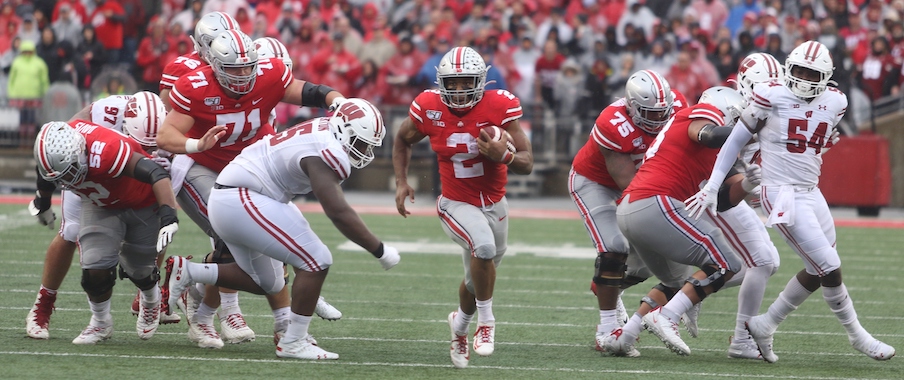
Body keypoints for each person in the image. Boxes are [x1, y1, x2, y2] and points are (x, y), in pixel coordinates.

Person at [686, 40, 896, 362]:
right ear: (788, 68)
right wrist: (713, 185)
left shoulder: (836, 101)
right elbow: (734, 143)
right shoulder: (770, 95)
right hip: (780, 193)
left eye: (812, 74)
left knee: (818, 267)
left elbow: (806, 144)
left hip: (812, 190)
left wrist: (823, 144)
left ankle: (765, 324)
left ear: (825, 77)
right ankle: (857, 335)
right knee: (830, 265)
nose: (803, 78)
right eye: (798, 70)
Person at [163, 98, 400, 360]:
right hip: (241, 197)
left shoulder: (326, 128)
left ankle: (188, 272)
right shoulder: (328, 150)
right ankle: (294, 341)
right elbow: (338, 212)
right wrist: (379, 249)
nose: (364, 150)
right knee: (317, 260)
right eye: (361, 142)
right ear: (344, 130)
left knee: (269, 282)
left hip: (239, 196)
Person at [156, 29, 347, 349]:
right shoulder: (195, 85)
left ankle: (203, 292)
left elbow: (308, 91)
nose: (244, 75)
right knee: (239, 237)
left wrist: (337, 101)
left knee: (275, 242)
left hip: (246, 173)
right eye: (235, 69)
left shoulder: (268, 76)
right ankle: (227, 316)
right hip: (200, 167)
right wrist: (195, 143)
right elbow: (166, 135)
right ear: (215, 65)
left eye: (249, 68)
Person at [392, 46, 534, 368]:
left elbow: (527, 163)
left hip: (495, 203)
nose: (458, 90)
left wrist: (505, 156)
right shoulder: (428, 107)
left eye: (465, 81)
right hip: (454, 202)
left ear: (480, 80)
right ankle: (487, 324)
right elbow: (402, 139)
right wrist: (402, 181)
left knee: (476, 278)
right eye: (452, 83)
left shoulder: (499, 105)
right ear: (441, 82)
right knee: (482, 249)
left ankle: (459, 326)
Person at [603, 86, 754, 356]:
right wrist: (749, 131)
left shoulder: (715, 150)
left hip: (633, 209)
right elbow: (707, 134)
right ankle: (668, 317)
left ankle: (625, 338)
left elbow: (724, 200)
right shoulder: (702, 115)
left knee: (676, 284)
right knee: (727, 263)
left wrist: (750, 183)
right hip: (655, 204)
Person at [25, 92, 176, 340]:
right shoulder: (83, 137)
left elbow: (157, 173)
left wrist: (169, 214)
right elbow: (51, 167)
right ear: (125, 125)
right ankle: (60, 310)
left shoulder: (119, 147)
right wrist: (42, 202)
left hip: (135, 188)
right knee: (80, 243)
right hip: (95, 183)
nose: (149, 149)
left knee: (141, 262)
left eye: (153, 144)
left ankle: (149, 296)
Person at [569, 69, 695, 356]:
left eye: (662, 112)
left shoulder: (677, 107)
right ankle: (607, 329)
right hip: (597, 183)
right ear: (631, 106)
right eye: (650, 114)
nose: (659, 120)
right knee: (614, 247)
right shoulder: (612, 123)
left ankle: (605, 284)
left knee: (649, 260)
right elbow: (628, 185)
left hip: (647, 182)